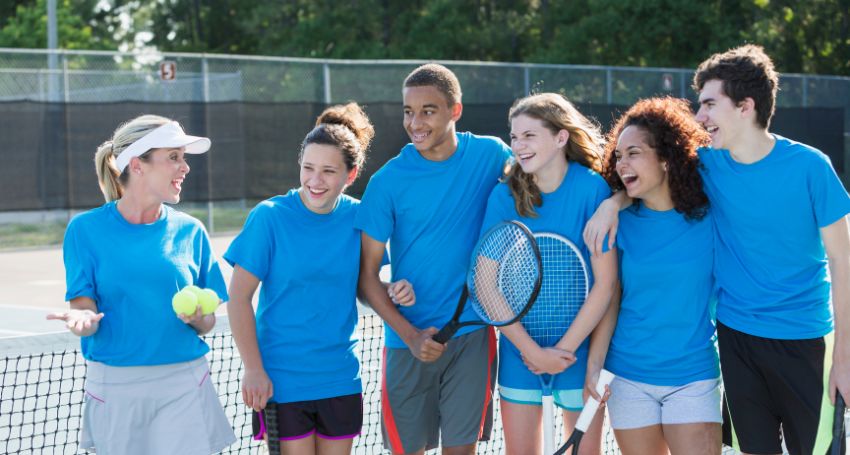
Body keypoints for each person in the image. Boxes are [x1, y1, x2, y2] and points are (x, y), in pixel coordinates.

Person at [584, 45, 850, 455]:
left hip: (808, 340)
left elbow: (843, 261)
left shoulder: (812, 167)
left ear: (745, 106)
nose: (700, 116)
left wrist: (846, 358)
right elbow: (650, 177)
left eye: (709, 104)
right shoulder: (706, 166)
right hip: (737, 341)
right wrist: (612, 202)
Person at [225, 103, 413, 455]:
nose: (315, 180)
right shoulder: (269, 218)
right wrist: (253, 369)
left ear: (351, 174)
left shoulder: (359, 218)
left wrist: (393, 291)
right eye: (308, 168)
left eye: (328, 171)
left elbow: (363, 287)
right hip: (281, 381)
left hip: (340, 377)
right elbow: (238, 299)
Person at [47, 115, 236, 454]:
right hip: (115, 385)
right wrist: (82, 321)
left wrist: (197, 318)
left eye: (184, 157)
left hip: (184, 380)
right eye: (174, 157)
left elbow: (207, 324)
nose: (185, 167)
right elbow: (83, 307)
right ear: (138, 165)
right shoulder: (84, 231)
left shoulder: (191, 231)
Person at [355, 63, 512, 455]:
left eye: (428, 110)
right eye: (408, 111)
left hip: (472, 335)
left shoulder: (492, 155)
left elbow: (542, 174)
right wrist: (410, 335)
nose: (415, 122)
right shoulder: (387, 182)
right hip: (407, 342)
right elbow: (366, 277)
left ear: (455, 110)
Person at [478, 93, 617, 454]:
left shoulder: (591, 190)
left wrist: (562, 350)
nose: (518, 146)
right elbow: (485, 282)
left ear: (560, 137)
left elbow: (606, 284)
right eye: (514, 137)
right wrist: (532, 352)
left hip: (577, 355)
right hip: (519, 354)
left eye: (529, 136)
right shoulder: (503, 197)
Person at [592, 97, 720, 455]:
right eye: (618, 155)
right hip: (628, 377)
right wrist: (595, 367)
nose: (622, 164)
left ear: (666, 158)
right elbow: (612, 296)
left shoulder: (711, 218)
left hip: (692, 376)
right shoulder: (617, 224)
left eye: (633, 153)